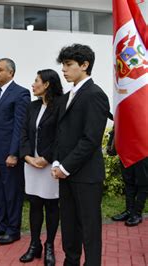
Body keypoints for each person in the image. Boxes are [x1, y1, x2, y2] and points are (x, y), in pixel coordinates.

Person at [51, 44, 109, 266]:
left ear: (84, 65)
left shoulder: (95, 95)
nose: (64, 70)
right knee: (69, 224)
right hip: (65, 172)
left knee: (89, 227)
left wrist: (64, 167)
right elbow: (60, 133)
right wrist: (57, 161)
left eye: (68, 65)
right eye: (63, 65)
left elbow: (91, 139)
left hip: (86, 175)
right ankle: (71, 261)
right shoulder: (68, 96)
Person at [0, 58, 30, 245]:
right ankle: (2, 225)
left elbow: (20, 127)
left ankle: (13, 230)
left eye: (0, 69)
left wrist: (13, 153)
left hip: (9, 155)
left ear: (11, 73)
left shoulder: (21, 94)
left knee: (12, 193)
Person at [19, 69, 63, 265]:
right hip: (31, 164)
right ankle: (34, 245)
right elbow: (24, 134)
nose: (33, 84)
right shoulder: (32, 106)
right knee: (35, 204)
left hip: (49, 165)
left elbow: (61, 137)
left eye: (36, 81)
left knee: (51, 206)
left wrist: (45, 159)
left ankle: (50, 246)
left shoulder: (60, 106)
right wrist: (28, 157)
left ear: (46, 84)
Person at [109, 129, 147, 226]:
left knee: (143, 182)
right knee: (128, 181)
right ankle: (129, 211)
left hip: (143, 146)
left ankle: (137, 214)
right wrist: (111, 141)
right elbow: (119, 121)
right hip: (127, 147)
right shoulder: (124, 112)